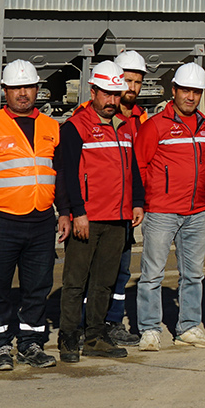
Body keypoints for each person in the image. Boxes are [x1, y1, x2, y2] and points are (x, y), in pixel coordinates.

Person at [0, 59, 66, 372]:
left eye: (28, 87)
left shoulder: (51, 127)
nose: (22, 93)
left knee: (38, 286)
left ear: (37, 89)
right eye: (16, 88)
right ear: (4, 90)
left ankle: (31, 343)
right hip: (0, 219)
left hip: (41, 220)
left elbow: (58, 173)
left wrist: (64, 213)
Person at [54, 61, 137, 363]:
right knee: (76, 280)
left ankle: (95, 336)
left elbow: (133, 169)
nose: (113, 101)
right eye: (107, 94)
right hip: (88, 217)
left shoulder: (125, 127)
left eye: (117, 94)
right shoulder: (77, 127)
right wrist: (77, 212)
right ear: (93, 91)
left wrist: (136, 202)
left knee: (105, 280)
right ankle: (68, 337)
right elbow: (67, 173)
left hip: (118, 217)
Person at [132, 61, 205, 350]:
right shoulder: (156, 125)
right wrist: (143, 202)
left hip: (195, 211)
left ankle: (189, 326)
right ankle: (149, 328)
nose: (191, 97)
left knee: (193, 273)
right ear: (174, 91)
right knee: (152, 273)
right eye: (185, 91)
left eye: (196, 92)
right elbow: (140, 165)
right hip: (161, 211)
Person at [101, 49, 148, 343]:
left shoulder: (142, 118)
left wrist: (139, 201)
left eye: (137, 82)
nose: (131, 88)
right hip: (102, 207)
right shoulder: (99, 115)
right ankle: (89, 324)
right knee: (97, 271)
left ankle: (113, 321)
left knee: (121, 270)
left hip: (128, 207)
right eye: (126, 80)